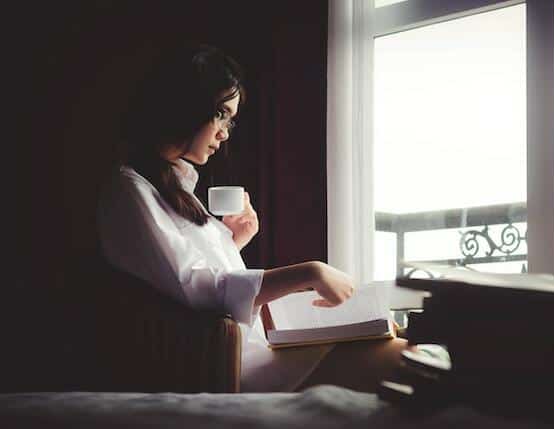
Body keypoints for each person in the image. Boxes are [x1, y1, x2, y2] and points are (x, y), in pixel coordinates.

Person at [97, 43, 408, 393]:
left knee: (408, 354)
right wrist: (310, 272)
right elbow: (196, 288)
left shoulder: (177, 191)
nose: (225, 132)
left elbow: (196, 276)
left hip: (253, 347)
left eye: (230, 119)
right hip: (230, 361)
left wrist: (232, 241)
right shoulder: (129, 190)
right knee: (408, 362)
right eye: (220, 114)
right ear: (185, 105)